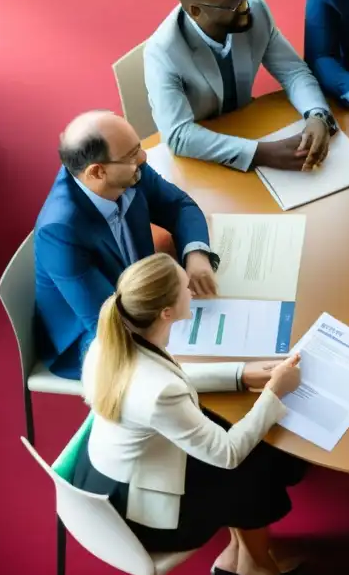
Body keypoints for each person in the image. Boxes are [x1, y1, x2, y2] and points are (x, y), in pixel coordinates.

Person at [72, 254, 312, 575]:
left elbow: (166, 379)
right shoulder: (158, 391)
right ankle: (255, 569)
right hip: (141, 514)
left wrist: (240, 375)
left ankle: (244, 555)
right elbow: (227, 453)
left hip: (109, 475)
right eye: (185, 287)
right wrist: (274, 392)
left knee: (243, 446)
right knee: (254, 464)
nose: (192, 291)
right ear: (166, 313)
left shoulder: (110, 342)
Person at [35, 111, 221, 379]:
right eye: (132, 155)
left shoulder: (129, 171)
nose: (143, 158)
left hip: (143, 298)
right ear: (97, 172)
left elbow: (179, 206)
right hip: (96, 335)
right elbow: (109, 325)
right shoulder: (60, 230)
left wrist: (196, 255)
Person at [145, 0, 338, 173]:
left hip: (246, 126)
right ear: (197, 11)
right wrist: (261, 153)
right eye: (233, 3)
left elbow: (293, 72)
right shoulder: (162, 52)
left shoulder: (257, 13)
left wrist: (317, 114)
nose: (246, 5)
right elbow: (178, 134)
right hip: (203, 160)